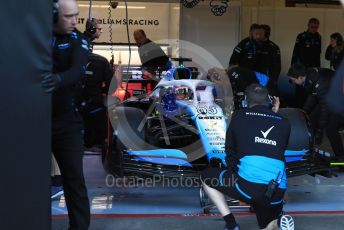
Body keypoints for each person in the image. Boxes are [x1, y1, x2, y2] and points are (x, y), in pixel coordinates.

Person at [201, 84, 293, 230]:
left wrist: (235, 177)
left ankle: (231, 224)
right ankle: (278, 221)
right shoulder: (284, 122)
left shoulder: (238, 116)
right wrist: (275, 113)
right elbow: (277, 150)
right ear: (269, 101)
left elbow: (230, 152)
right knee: (267, 227)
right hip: (276, 191)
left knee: (206, 176)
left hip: (248, 186)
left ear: (245, 102)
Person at [41, 0, 90, 229]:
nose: (74, 21)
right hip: (34, 121)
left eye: (76, 15)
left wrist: (57, 80)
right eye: (68, 16)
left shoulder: (77, 39)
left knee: (74, 180)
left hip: (67, 122)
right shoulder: (36, 35)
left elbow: (77, 70)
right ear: (52, 15)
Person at [288, 64, 343, 160]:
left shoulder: (320, 82)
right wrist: (302, 113)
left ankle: (341, 158)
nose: (292, 82)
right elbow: (312, 97)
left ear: (300, 78)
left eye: (293, 80)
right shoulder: (309, 77)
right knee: (311, 119)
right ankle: (308, 151)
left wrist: (320, 130)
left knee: (331, 129)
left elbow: (325, 108)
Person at [81, 18, 114, 148]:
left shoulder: (83, 41)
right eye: (99, 29)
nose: (102, 31)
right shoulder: (101, 62)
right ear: (92, 30)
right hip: (93, 101)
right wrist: (104, 92)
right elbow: (112, 83)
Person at [291, 18, 321, 108]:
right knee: (300, 90)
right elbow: (295, 52)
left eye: (316, 27)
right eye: (312, 26)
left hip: (313, 68)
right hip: (301, 67)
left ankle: (308, 109)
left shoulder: (318, 37)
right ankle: (298, 108)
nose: (314, 29)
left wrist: (318, 69)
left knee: (311, 89)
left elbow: (318, 54)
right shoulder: (301, 36)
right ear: (308, 25)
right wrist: (293, 68)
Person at [257, 24, 281, 96]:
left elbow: (277, 66)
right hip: (255, 77)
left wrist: (274, 80)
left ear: (266, 34)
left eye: (261, 33)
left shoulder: (273, 47)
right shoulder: (254, 45)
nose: (258, 35)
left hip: (268, 79)